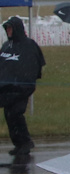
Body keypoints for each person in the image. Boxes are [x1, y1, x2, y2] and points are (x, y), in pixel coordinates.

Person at [0, 17, 45, 157]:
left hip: (21, 88)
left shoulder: (29, 45)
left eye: (10, 28)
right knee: (9, 115)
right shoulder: (7, 45)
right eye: (6, 28)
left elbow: (34, 65)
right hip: (6, 88)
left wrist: (24, 83)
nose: (8, 31)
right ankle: (19, 144)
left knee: (16, 114)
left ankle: (25, 143)